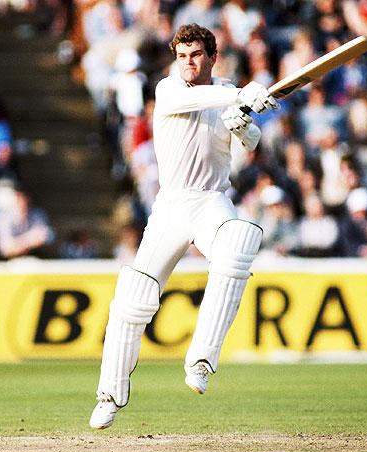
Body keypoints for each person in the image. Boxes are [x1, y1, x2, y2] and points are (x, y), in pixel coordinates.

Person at [89, 23, 278, 429]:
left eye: (195, 55)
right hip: (172, 204)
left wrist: (243, 124)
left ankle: (202, 361)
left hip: (212, 201)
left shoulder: (226, 92)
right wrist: (243, 94)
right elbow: (208, 99)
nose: (188, 63)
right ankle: (108, 396)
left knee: (240, 241)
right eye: (182, 56)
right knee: (133, 297)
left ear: (211, 56)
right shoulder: (168, 90)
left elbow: (252, 143)